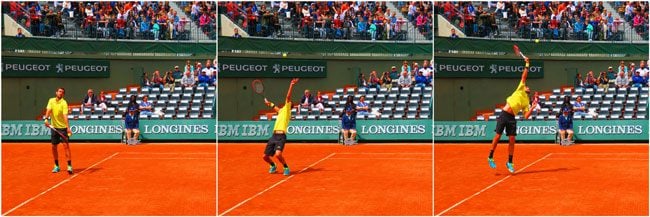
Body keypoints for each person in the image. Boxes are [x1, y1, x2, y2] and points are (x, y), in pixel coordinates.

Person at [487, 57, 538, 174]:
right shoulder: (520, 88)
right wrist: (527, 63)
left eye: (528, 87)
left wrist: (533, 108)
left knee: (512, 140)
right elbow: (524, 76)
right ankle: (490, 156)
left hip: (512, 118)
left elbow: (526, 116)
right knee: (498, 136)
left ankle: (509, 162)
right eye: (527, 86)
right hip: (504, 114)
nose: (527, 86)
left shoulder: (526, 102)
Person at [262, 78, 299, 176]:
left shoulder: (287, 111)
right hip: (274, 136)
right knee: (265, 157)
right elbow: (274, 106)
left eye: (289, 103)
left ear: (289, 106)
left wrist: (291, 84)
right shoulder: (281, 111)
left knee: (278, 154)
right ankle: (273, 165)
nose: (287, 102)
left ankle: (286, 167)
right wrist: (268, 102)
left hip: (281, 136)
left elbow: (288, 96)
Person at [44, 87, 73, 174]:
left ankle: (69, 166)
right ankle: (56, 166)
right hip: (54, 127)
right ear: (56, 92)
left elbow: (65, 116)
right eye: (59, 91)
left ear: (63, 94)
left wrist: (68, 127)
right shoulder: (51, 100)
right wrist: (46, 119)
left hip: (63, 128)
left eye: (62, 92)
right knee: (53, 147)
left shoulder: (64, 103)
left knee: (66, 146)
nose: (60, 93)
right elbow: (49, 110)